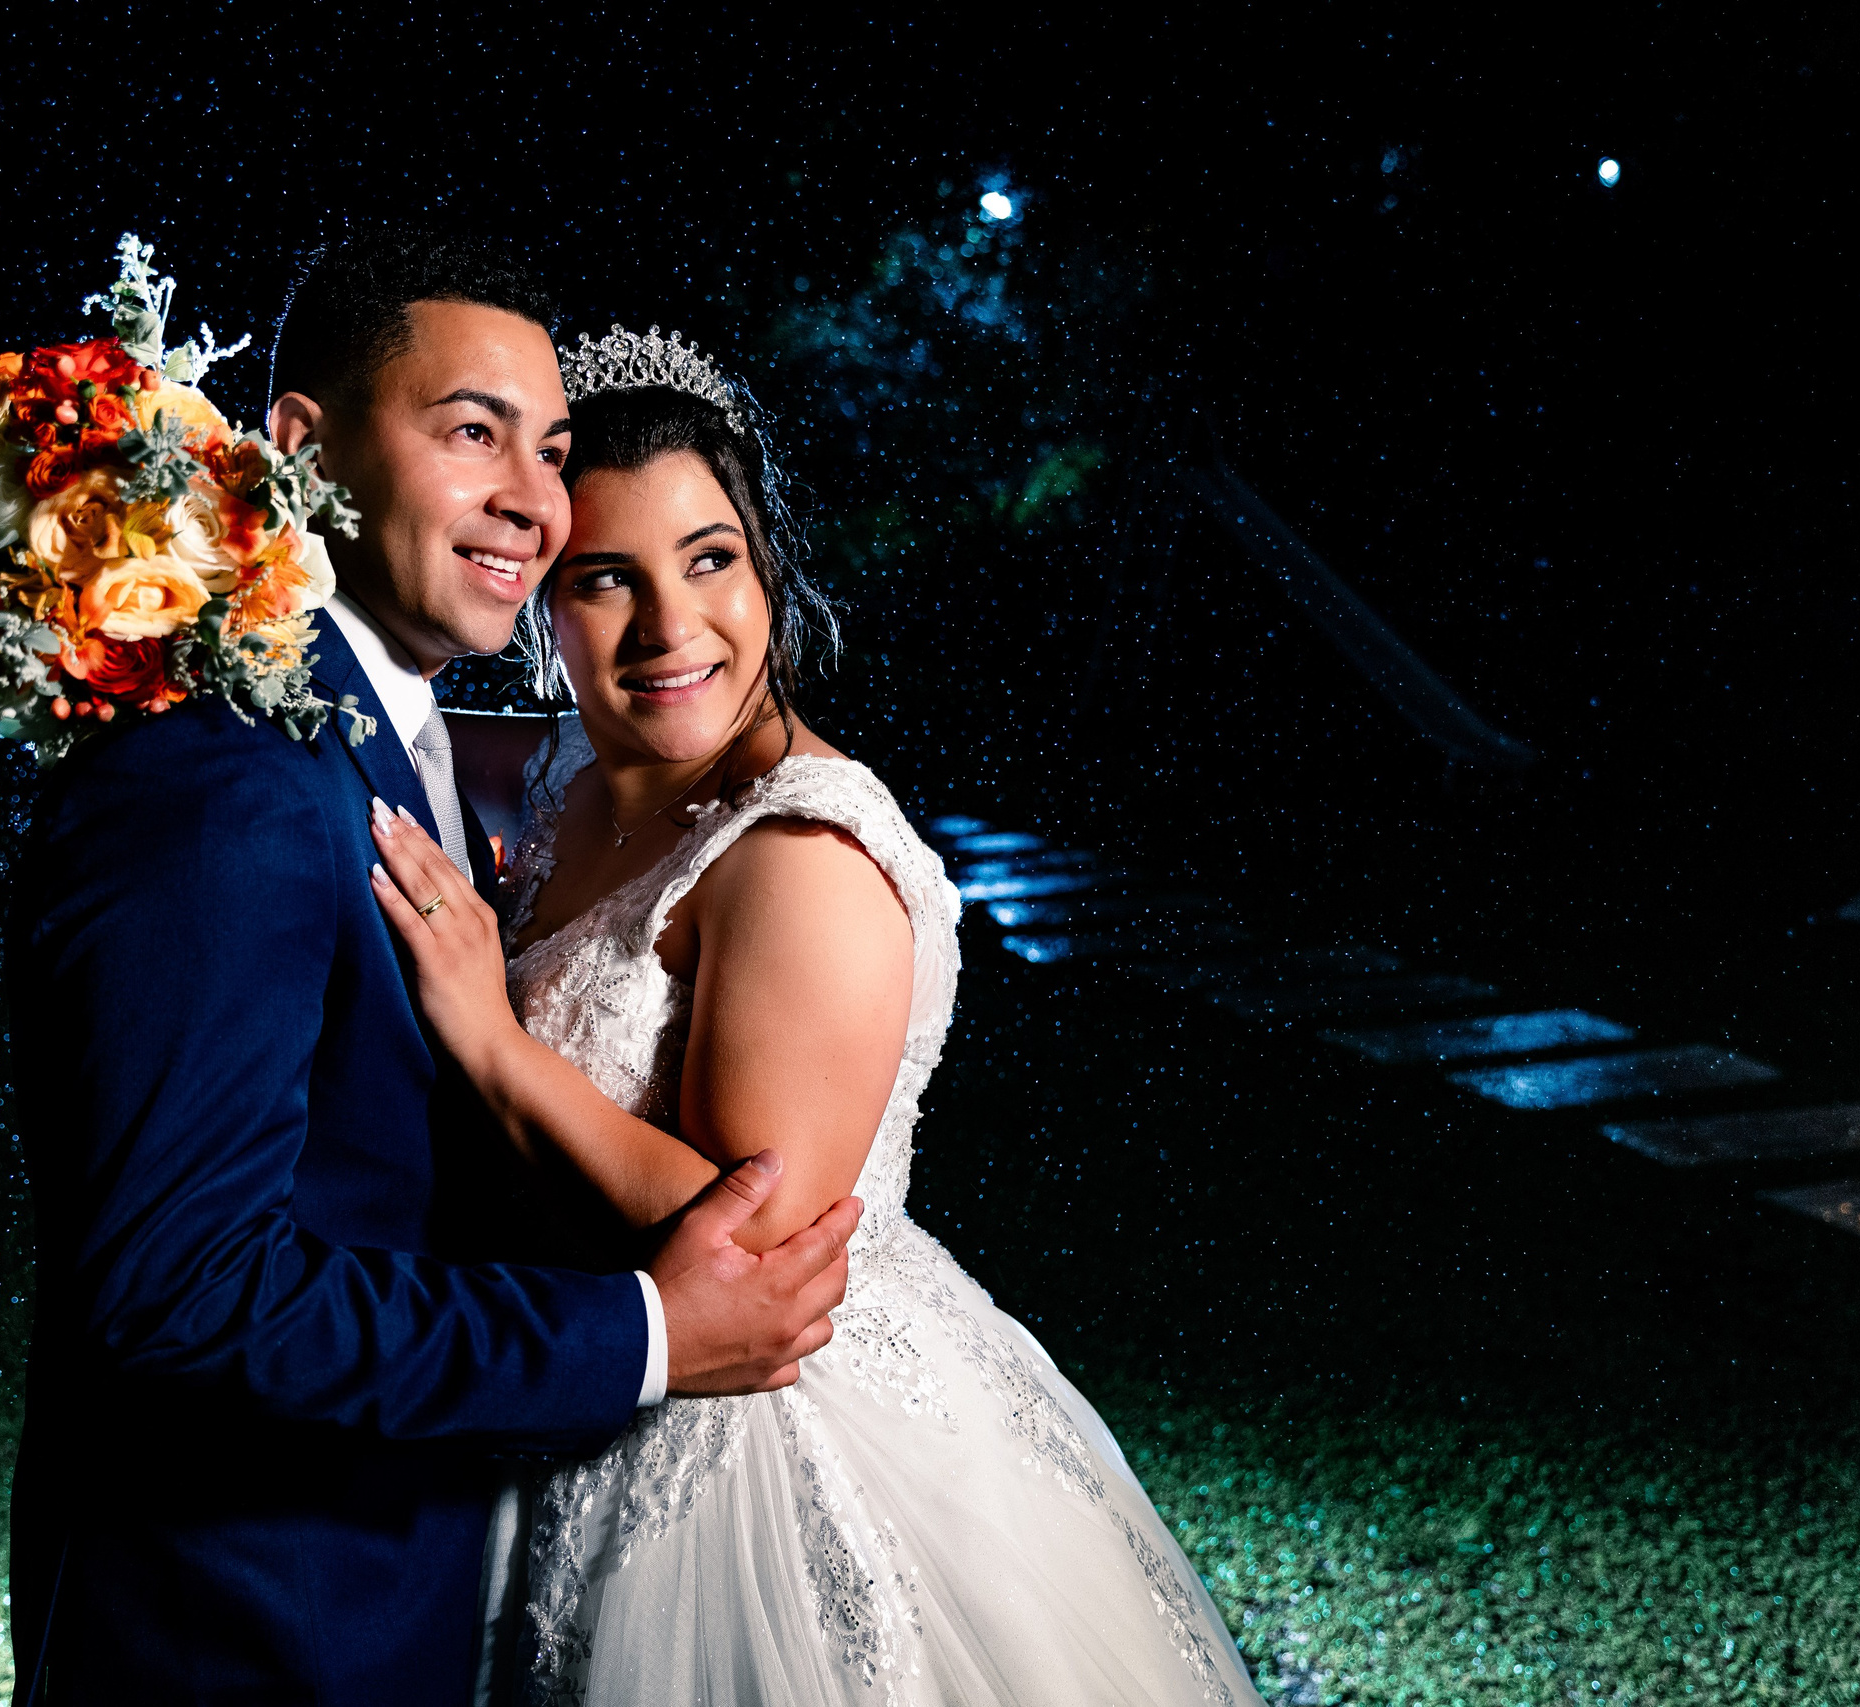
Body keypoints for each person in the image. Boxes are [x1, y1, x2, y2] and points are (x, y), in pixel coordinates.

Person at [3, 233, 861, 1705]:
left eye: (552, 451)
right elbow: (180, 1292)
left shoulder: (393, 737)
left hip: (399, 1578)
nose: (533, 500)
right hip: (253, 1632)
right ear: (302, 446)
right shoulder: (224, 779)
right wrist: (642, 1335)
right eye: (473, 433)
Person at [366, 330, 1269, 1705]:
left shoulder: (804, 855)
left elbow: (761, 1251)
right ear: (542, 600)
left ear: (769, 568)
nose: (671, 628)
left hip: (755, 1457)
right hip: (576, 1390)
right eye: (607, 579)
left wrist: (491, 1043)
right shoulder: (576, 774)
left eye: (710, 559)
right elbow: (389, 728)